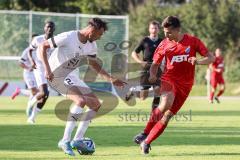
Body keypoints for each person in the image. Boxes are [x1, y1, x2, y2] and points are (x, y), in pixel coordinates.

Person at [39, 17, 126, 156]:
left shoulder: (91, 45)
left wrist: (111, 79)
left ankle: (77, 139)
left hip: (72, 76)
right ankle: (65, 140)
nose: (100, 37)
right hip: (57, 75)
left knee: (96, 105)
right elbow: (42, 46)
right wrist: (47, 69)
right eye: (100, 34)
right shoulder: (69, 36)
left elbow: (94, 64)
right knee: (80, 101)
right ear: (92, 29)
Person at [133, 16, 215, 154]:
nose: (166, 35)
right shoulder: (164, 44)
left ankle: (146, 142)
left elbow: (211, 58)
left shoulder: (193, 41)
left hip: (186, 85)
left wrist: (198, 62)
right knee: (165, 102)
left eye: (169, 32)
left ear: (178, 30)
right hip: (169, 79)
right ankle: (145, 132)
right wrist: (152, 74)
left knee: (167, 116)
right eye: (164, 32)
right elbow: (155, 63)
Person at [125, 20, 163, 110]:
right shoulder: (145, 40)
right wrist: (140, 62)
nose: (154, 30)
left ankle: (154, 112)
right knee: (143, 97)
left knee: (158, 89)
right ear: (149, 29)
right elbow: (134, 53)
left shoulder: (162, 42)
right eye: (152, 28)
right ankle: (133, 90)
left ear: (158, 30)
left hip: (157, 68)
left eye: (156, 28)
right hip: (146, 68)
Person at [27, 21, 55, 124]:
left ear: (54, 29)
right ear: (44, 28)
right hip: (39, 68)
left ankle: (32, 118)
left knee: (46, 96)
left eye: (51, 27)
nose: (49, 28)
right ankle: (31, 102)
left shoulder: (56, 41)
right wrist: (32, 61)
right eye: (48, 27)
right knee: (44, 92)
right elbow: (29, 50)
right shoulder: (37, 39)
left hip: (50, 68)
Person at [11, 34, 40, 117]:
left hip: (37, 74)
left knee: (36, 93)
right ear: (32, 41)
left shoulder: (40, 50)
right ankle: (29, 109)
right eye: (34, 40)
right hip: (29, 74)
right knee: (35, 92)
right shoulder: (27, 50)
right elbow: (20, 62)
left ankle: (20, 91)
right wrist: (28, 68)